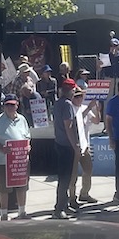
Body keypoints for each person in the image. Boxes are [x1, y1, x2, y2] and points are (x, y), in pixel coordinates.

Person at [0, 94, 32, 221]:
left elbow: (27, 136)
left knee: (22, 186)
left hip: (21, 161)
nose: (11, 107)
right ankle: (4, 215)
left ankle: (22, 213)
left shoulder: (22, 119)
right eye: (8, 105)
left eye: (13, 105)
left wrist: (27, 146)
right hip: (3, 162)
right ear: (4, 106)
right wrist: (2, 149)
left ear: (17, 105)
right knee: (3, 189)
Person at [52, 78, 78, 218]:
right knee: (65, 178)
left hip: (58, 142)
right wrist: (75, 145)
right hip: (66, 145)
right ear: (71, 90)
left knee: (65, 177)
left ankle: (65, 205)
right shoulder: (67, 104)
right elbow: (68, 127)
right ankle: (59, 208)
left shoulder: (58, 103)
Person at [70, 87, 100, 204]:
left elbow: (96, 121)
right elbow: (77, 119)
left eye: (81, 96)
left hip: (84, 144)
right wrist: (88, 108)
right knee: (73, 174)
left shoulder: (84, 108)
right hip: (74, 145)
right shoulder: (71, 108)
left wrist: (97, 107)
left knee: (88, 169)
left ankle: (84, 193)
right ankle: (72, 197)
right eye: (76, 96)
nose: (79, 99)